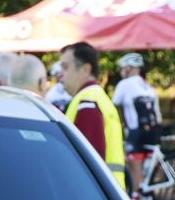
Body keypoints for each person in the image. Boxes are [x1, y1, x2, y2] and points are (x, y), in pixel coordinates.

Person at [54, 42, 126, 191]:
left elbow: (87, 164)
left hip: (96, 196)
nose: (60, 73)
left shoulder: (87, 102)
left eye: (65, 67)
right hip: (108, 196)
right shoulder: (96, 97)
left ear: (86, 69)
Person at [111, 52, 163, 200]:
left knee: (135, 164)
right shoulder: (147, 85)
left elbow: (114, 103)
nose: (121, 71)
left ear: (128, 67)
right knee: (149, 164)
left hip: (135, 131)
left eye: (122, 68)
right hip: (153, 130)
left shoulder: (124, 84)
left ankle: (137, 196)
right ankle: (148, 196)